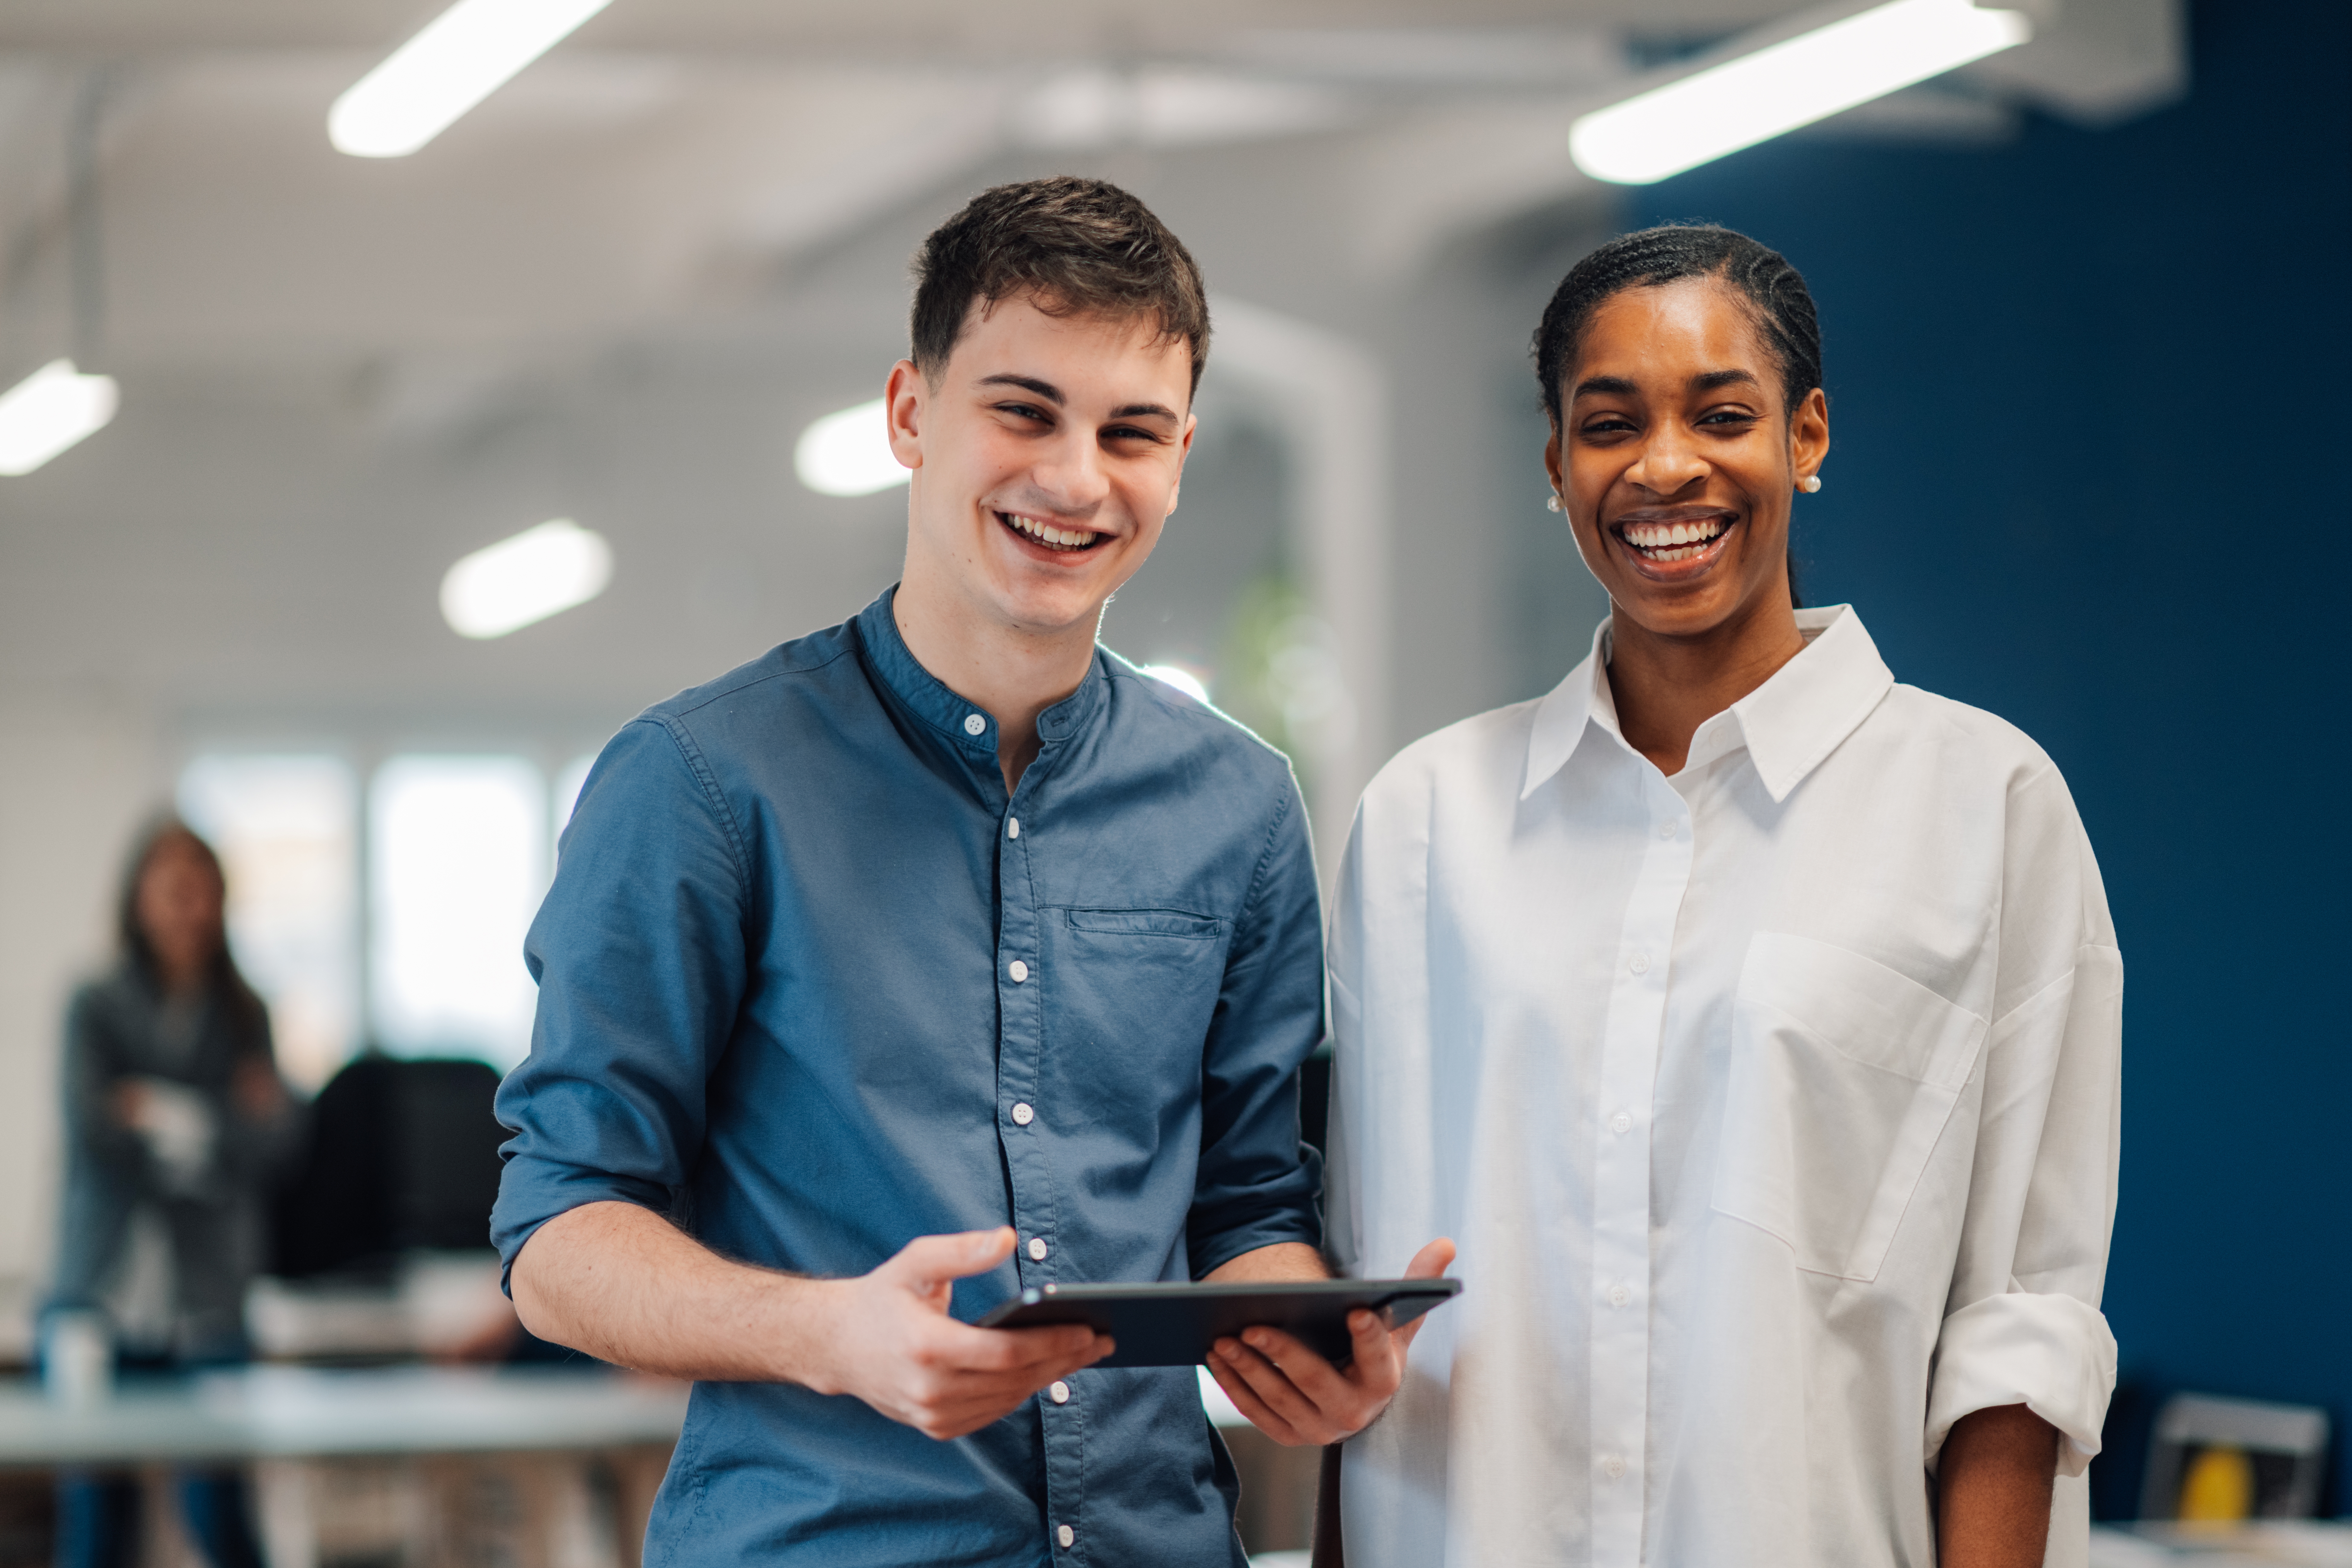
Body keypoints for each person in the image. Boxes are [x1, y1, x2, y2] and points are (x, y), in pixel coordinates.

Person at [494, 176, 1448, 1567]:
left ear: (1180, 454)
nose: (1075, 477)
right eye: (1024, 409)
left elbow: (1247, 1204)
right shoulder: (699, 783)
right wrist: (827, 1330)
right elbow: (558, 1230)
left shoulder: (1238, 805)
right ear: (910, 413)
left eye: (1131, 431)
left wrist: (1313, 1338)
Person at [1322, 226, 2121, 1568]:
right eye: (1609, 423)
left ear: (1807, 436)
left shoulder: (1983, 802)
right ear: (1556, 468)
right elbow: (1371, 1296)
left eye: (1724, 413)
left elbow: (2017, 1325)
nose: (1666, 466)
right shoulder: (1423, 821)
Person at [48, 817, 292, 1568]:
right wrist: (216, 1119)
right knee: (96, 1526)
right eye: (172, 892)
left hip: (208, 1299)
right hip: (100, 1296)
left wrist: (149, 1107)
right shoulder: (95, 1005)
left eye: (202, 893)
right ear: (139, 900)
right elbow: (95, 1129)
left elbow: (275, 1144)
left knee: (223, 1517)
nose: (188, 909)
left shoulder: (246, 1013)